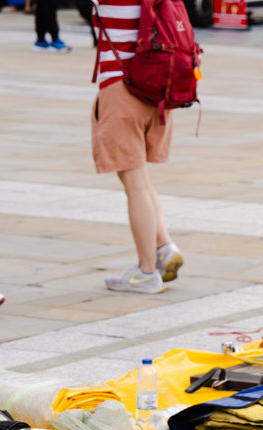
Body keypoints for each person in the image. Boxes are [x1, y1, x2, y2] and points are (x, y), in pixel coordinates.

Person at [91, 0, 184, 294]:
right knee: (138, 178)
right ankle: (163, 247)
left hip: (123, 89)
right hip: (157, 89)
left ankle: (146, 271)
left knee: (134, 182)